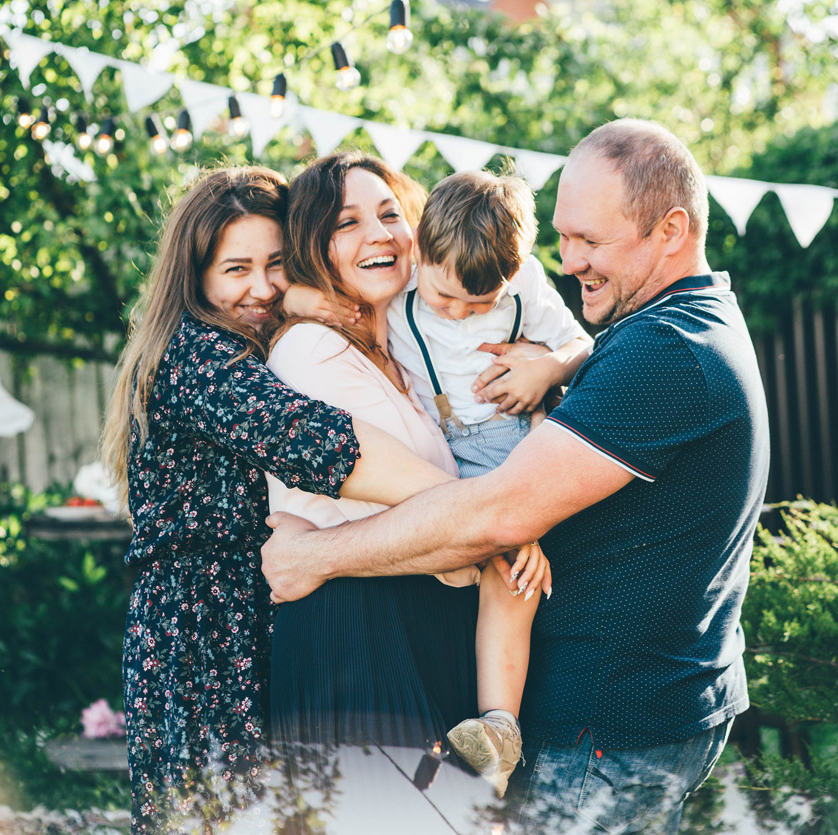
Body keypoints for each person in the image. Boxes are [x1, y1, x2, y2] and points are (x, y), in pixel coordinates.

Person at [261, 119, 771, 833]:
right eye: (562, 237)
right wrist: (300, 298)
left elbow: (498, 512)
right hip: (603, 714)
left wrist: (310, 554)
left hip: (609, 724)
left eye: (589, 241)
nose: (568, 262)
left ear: (670, 230)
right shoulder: (663, 326)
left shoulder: (671, 350)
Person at [100, 166, 475, 833]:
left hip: (259, 617)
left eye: (277, 264)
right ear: (198, 278)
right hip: (201, 637)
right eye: (236, 268)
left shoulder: (262, 338)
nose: (261, 287)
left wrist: (301, 297)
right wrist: (478, 515)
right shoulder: (196, 356)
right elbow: (322, 443)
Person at [285, 167, 590, 796]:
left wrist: (544, 369)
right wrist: (506, 521)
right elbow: (386, 479)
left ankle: (498, 727)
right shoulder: (313, 350)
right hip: (360, 635)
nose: (380, 233)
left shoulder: (391, 328)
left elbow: (575, 346)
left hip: (428, 609)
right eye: (347, 222)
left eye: (390, 212)